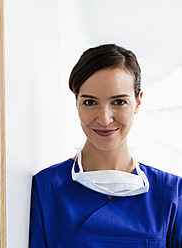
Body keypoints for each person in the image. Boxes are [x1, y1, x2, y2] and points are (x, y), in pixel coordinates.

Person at [29, 44, 182, 247]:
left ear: (138, 102)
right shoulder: (47, 188)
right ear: (76, 103)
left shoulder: (171, 194)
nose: (104, 119)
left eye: (118, 102)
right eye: (90, 102)